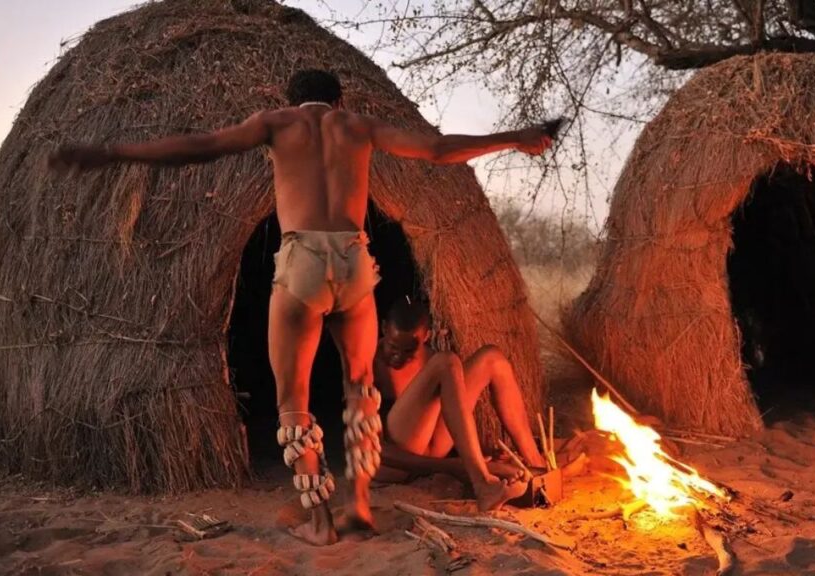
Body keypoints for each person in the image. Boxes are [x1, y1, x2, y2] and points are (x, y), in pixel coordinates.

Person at [49, 69, 554, 545]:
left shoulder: (276, 123)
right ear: (339, 101)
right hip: (355, 260)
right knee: (361, 393)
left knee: (294, 401)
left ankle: (318, 521)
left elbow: (201, 148)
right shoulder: (358, 126)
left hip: (302, 260)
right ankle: (357, 507)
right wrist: (516, 137)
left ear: (294, 102)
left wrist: (115, 152)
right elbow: (439, 149)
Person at [373, 298, 548, 511]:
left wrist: (474, 457)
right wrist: (457, 466)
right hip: (390, 465)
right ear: (383, 328)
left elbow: (451, 414)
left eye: (410, 350)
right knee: (446, 361)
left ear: (427, 336)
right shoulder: (367, 364)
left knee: (492, 357)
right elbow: (374, 450)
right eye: (393, 346)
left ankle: (537, 465)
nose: (399, 356)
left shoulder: (429, 358)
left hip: (432, 450)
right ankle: (481, 483)